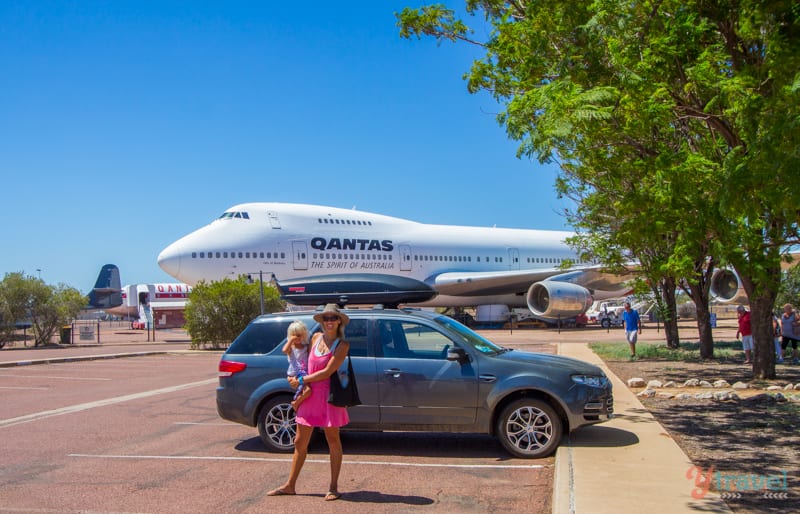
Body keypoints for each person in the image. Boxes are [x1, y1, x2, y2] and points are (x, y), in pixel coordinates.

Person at [267, 303, 351, 501]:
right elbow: (302, 360)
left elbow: (327, 372)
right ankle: (290, 485)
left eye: (333, 318)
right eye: (326, 318)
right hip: (310, 395)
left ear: (339, 321)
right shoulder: (314, 338)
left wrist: (302, 380)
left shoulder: (342, 345)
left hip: (329, 397)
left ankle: (333, 487)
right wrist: (294, 377)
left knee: (333, 440)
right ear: (322, 321)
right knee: (299, 441)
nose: (329, 322)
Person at [282, 320, 311, 410]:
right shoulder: (291, 348)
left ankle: (297, 402)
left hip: (303, 373)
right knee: (308, 390)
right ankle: (296, 403)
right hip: (295, 373)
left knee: (305, 391)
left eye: (299, 335)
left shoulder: (305, 347)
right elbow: (284, 350)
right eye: (294, 335)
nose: (296, 338)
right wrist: (291, 340)